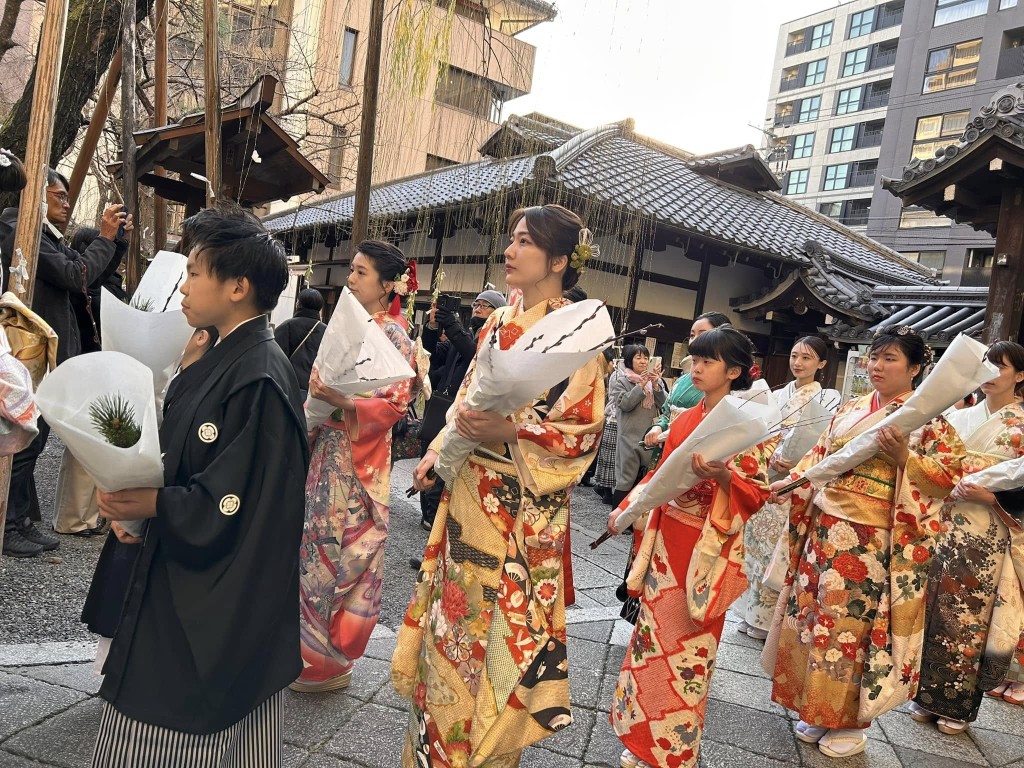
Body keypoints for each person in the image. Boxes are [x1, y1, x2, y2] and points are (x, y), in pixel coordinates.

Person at [89, 207, 309, 765]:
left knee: (178, 715)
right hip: (179, 561)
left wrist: (154, 503)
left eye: (193, 273)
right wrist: (131, 495)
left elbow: (237, 501)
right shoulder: (218, 354)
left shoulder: (258, 373)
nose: (182, 288)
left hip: (215, 585)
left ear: (238, 286)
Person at [393, 204, 605, 768]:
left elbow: (581, 433)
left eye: (524, 243)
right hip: (469, 492)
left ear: (559, 260)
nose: (509, 252)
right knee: (453, 619)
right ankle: (435, 748)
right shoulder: (497, 320)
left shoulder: (577, 336)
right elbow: (467, 397)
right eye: (510, 240)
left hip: (520, 503)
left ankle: (483, 753)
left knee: (501, 636)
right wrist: (437, 452)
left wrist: (511, 428)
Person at [765, 326, 964, 759]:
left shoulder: (929, 420)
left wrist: (905, 459)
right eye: (874, 357)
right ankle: (817, 707)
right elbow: (819, 457)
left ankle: (853, 720)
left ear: (915, 369)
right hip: (825, 533)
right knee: (816, 618)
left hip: (872, 542)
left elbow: (947, 479)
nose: (877, 365)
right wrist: (791, 483)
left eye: (890, 359)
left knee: (851, 625)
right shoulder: (852, 408)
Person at [609, 326, 772, 768]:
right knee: (650, 640)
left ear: (734, 371)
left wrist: (723, 477)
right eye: (695, 360)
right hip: (668, 541)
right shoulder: (684, 417)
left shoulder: (747, 425)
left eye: (708, 362)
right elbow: (658, 478)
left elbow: (757, 492)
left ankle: (673, 747)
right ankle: (641, 739)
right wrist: (626, 509)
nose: (696, 368)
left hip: (706, 548)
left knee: (687, 648)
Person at [292, 240, 420, 693]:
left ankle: (328, 661)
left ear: (389, 284)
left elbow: (395, 404)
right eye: (352, 269)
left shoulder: (396, 337)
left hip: (358, 460)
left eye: (361, 272)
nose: (350, 278)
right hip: (328, 450)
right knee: (312, 551)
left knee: (345, 555)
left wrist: (339, 400)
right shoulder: (351, 325)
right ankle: (305, 654)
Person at [0, 168, 131, 558]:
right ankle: (8, 524)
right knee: (22, 444)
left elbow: (87, 275)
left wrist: (116, 241)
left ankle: (20, 520)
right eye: (60, 197)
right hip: (27, 352)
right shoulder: (17, 227)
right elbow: (76, 275)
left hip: (43, 353)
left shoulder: (45, 236)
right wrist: (105, 237)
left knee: (34, 442)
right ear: (37, 199)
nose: (67, 204)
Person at [910, 341, 1024, 733]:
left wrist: (993, 495)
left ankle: (957, 706)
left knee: (970, 617)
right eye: (987, 364)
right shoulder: (959, 417)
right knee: (933, 609)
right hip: (945, 525)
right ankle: (926, 695)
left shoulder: (1021, 425)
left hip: (990, 532)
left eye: (1001, 366)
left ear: (1020, 376)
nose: (991, 371)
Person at [739, 335, 838, 641]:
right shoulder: (778, 392)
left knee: (776, 548)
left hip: (793, 480)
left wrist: (795, 464)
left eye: (807, 358)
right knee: (755, 543)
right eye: (795, 356)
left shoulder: (829, 399)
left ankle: (768, 620)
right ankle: (748, 611)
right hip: (765, 473)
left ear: (821, 364)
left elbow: (823, 442)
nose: (798, 363)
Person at [417, 289, 506, 530]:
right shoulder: (464, 335)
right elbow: (434, 355)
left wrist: (452, 325)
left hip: (466, 415)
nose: (477, 308)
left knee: (447, 469)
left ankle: (434, 522)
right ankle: (428, 514)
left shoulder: (495, 340)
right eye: (476, 304)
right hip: (443, 406)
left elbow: (473, 353)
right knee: (430, 459)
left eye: (485, 305)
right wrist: (434, 327)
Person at [643, 311, 729, 450]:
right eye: (692, 335)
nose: (695, 340)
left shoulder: (723, 384)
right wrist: (659, 427)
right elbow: (667, 413)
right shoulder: (683, 379)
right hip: (669, 445)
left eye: (703, 334)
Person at [610, 344, 667, 507]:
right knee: (625, 479)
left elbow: (665, 406)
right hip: (628, 437)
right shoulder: (621, 380)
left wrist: (656, 385)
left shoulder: (656, 382)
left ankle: (635, 520)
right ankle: (618, 518)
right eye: (638, 357)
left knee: (646, 479)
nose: (643, 361)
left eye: (645, 358)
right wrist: (641, 385)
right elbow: (624, 404)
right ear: (629, 360)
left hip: (649, 437)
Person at [273, 287, 326, 399]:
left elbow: (274, 360)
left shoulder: (286, 326)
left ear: (299, 304)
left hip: (287, 389)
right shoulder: (327, 331)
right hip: (315, 392)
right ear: (320, 308)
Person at [591, 347, 620, 503]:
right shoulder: (616, 376)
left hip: (605, 416)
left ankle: (601, 487)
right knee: (608, 458)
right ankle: (604, 489)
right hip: (610, 418)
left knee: (608, 458)